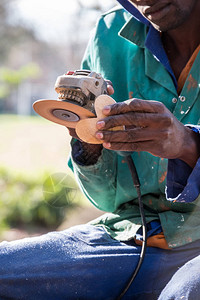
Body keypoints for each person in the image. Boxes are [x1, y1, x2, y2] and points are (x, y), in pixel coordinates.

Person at [1, 0, 200, 299]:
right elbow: (106, 198)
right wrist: (87, 140)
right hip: (131, 238)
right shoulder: (108, 33)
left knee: (184, 292)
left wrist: (186, 145)